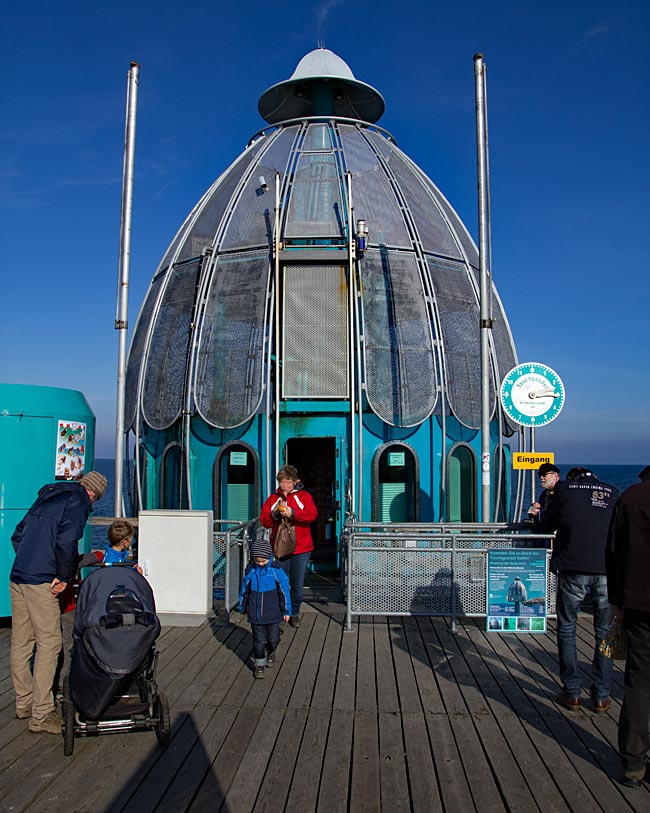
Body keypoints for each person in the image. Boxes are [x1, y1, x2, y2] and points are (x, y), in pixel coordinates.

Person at [9, 470, 107, 733]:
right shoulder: (78, 502)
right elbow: (66, 541)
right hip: (41, 580)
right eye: (96, 499)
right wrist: (63, 575)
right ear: (92, 493)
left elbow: (17, 535)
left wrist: (31, 559)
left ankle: (24, 703)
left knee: (22, 642)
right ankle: (42, 714)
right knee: (50, 643)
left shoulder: (47, 496)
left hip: (18, 575)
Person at [540, 467, 619, 713]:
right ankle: (602, 695)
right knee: (604, 633)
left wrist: (536, 516)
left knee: (567, 629)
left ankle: (572, 692)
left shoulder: (565, 491)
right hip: (606, 570)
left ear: (571, 478)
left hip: (573, 567)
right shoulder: (613, 492)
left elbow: (546, 526)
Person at [605, 464, 650, 788]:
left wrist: (617, 599)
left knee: (638, 680)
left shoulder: (630, 498)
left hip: (637, 603)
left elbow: (613, 552)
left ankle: (634, 763)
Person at [260, 465, 317, 628]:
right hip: (280, 548)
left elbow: (312, 515)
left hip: (302, 548)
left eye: (287, 482)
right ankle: (281, 614)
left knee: (297, 586)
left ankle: (294, 613)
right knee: (280, 583)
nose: (284, 485)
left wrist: (293, 513)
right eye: (282, 482)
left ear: (295, 482)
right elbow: (264, 521)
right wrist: (275, 515)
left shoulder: (304, 496)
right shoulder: (273, 499)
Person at [237, 533, 291, 678]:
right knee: (258, 641)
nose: (261, 563)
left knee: (273, 639)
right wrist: (242, 606)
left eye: (264, 560)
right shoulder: (251, 572)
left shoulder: (276, 571)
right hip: (256, 614)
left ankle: (272, 650)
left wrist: (286, 610)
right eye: (258, 560)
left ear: (269, 557)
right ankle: (259, 665)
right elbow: (244, 590)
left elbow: (284, 592)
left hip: (273, 613)